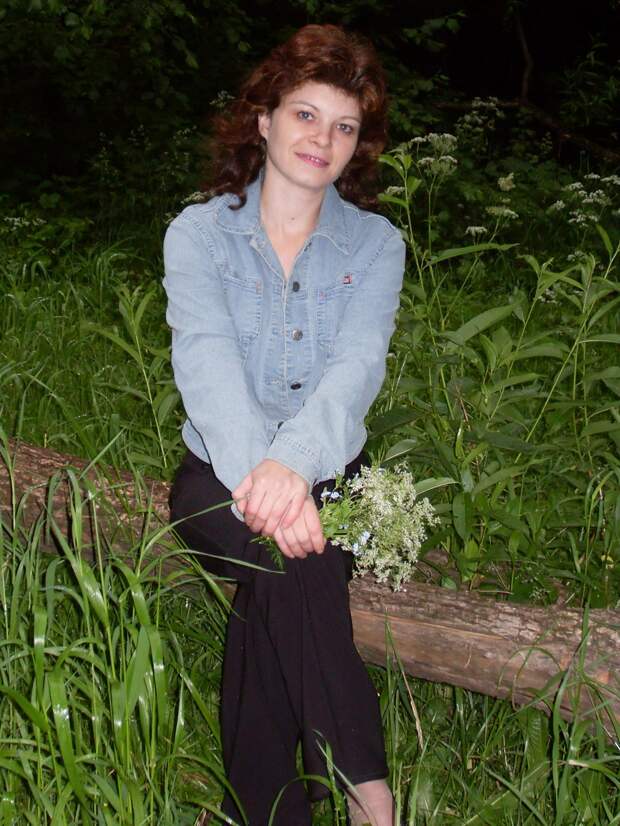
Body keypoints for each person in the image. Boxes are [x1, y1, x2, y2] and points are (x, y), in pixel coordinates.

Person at [163, 23, 405, 826]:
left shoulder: (375, 245)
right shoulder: (199, 234)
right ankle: (371, 796)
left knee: (284, 569)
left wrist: (296, 466)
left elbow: (356, 372)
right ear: (263, 118)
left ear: (357, 145)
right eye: (306, 115)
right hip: (218, 471)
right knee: (296, 551)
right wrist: (264, 479)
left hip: (335, 473)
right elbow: (205, 364)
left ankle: (263, 813)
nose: (322, 140)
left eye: (344, 127)